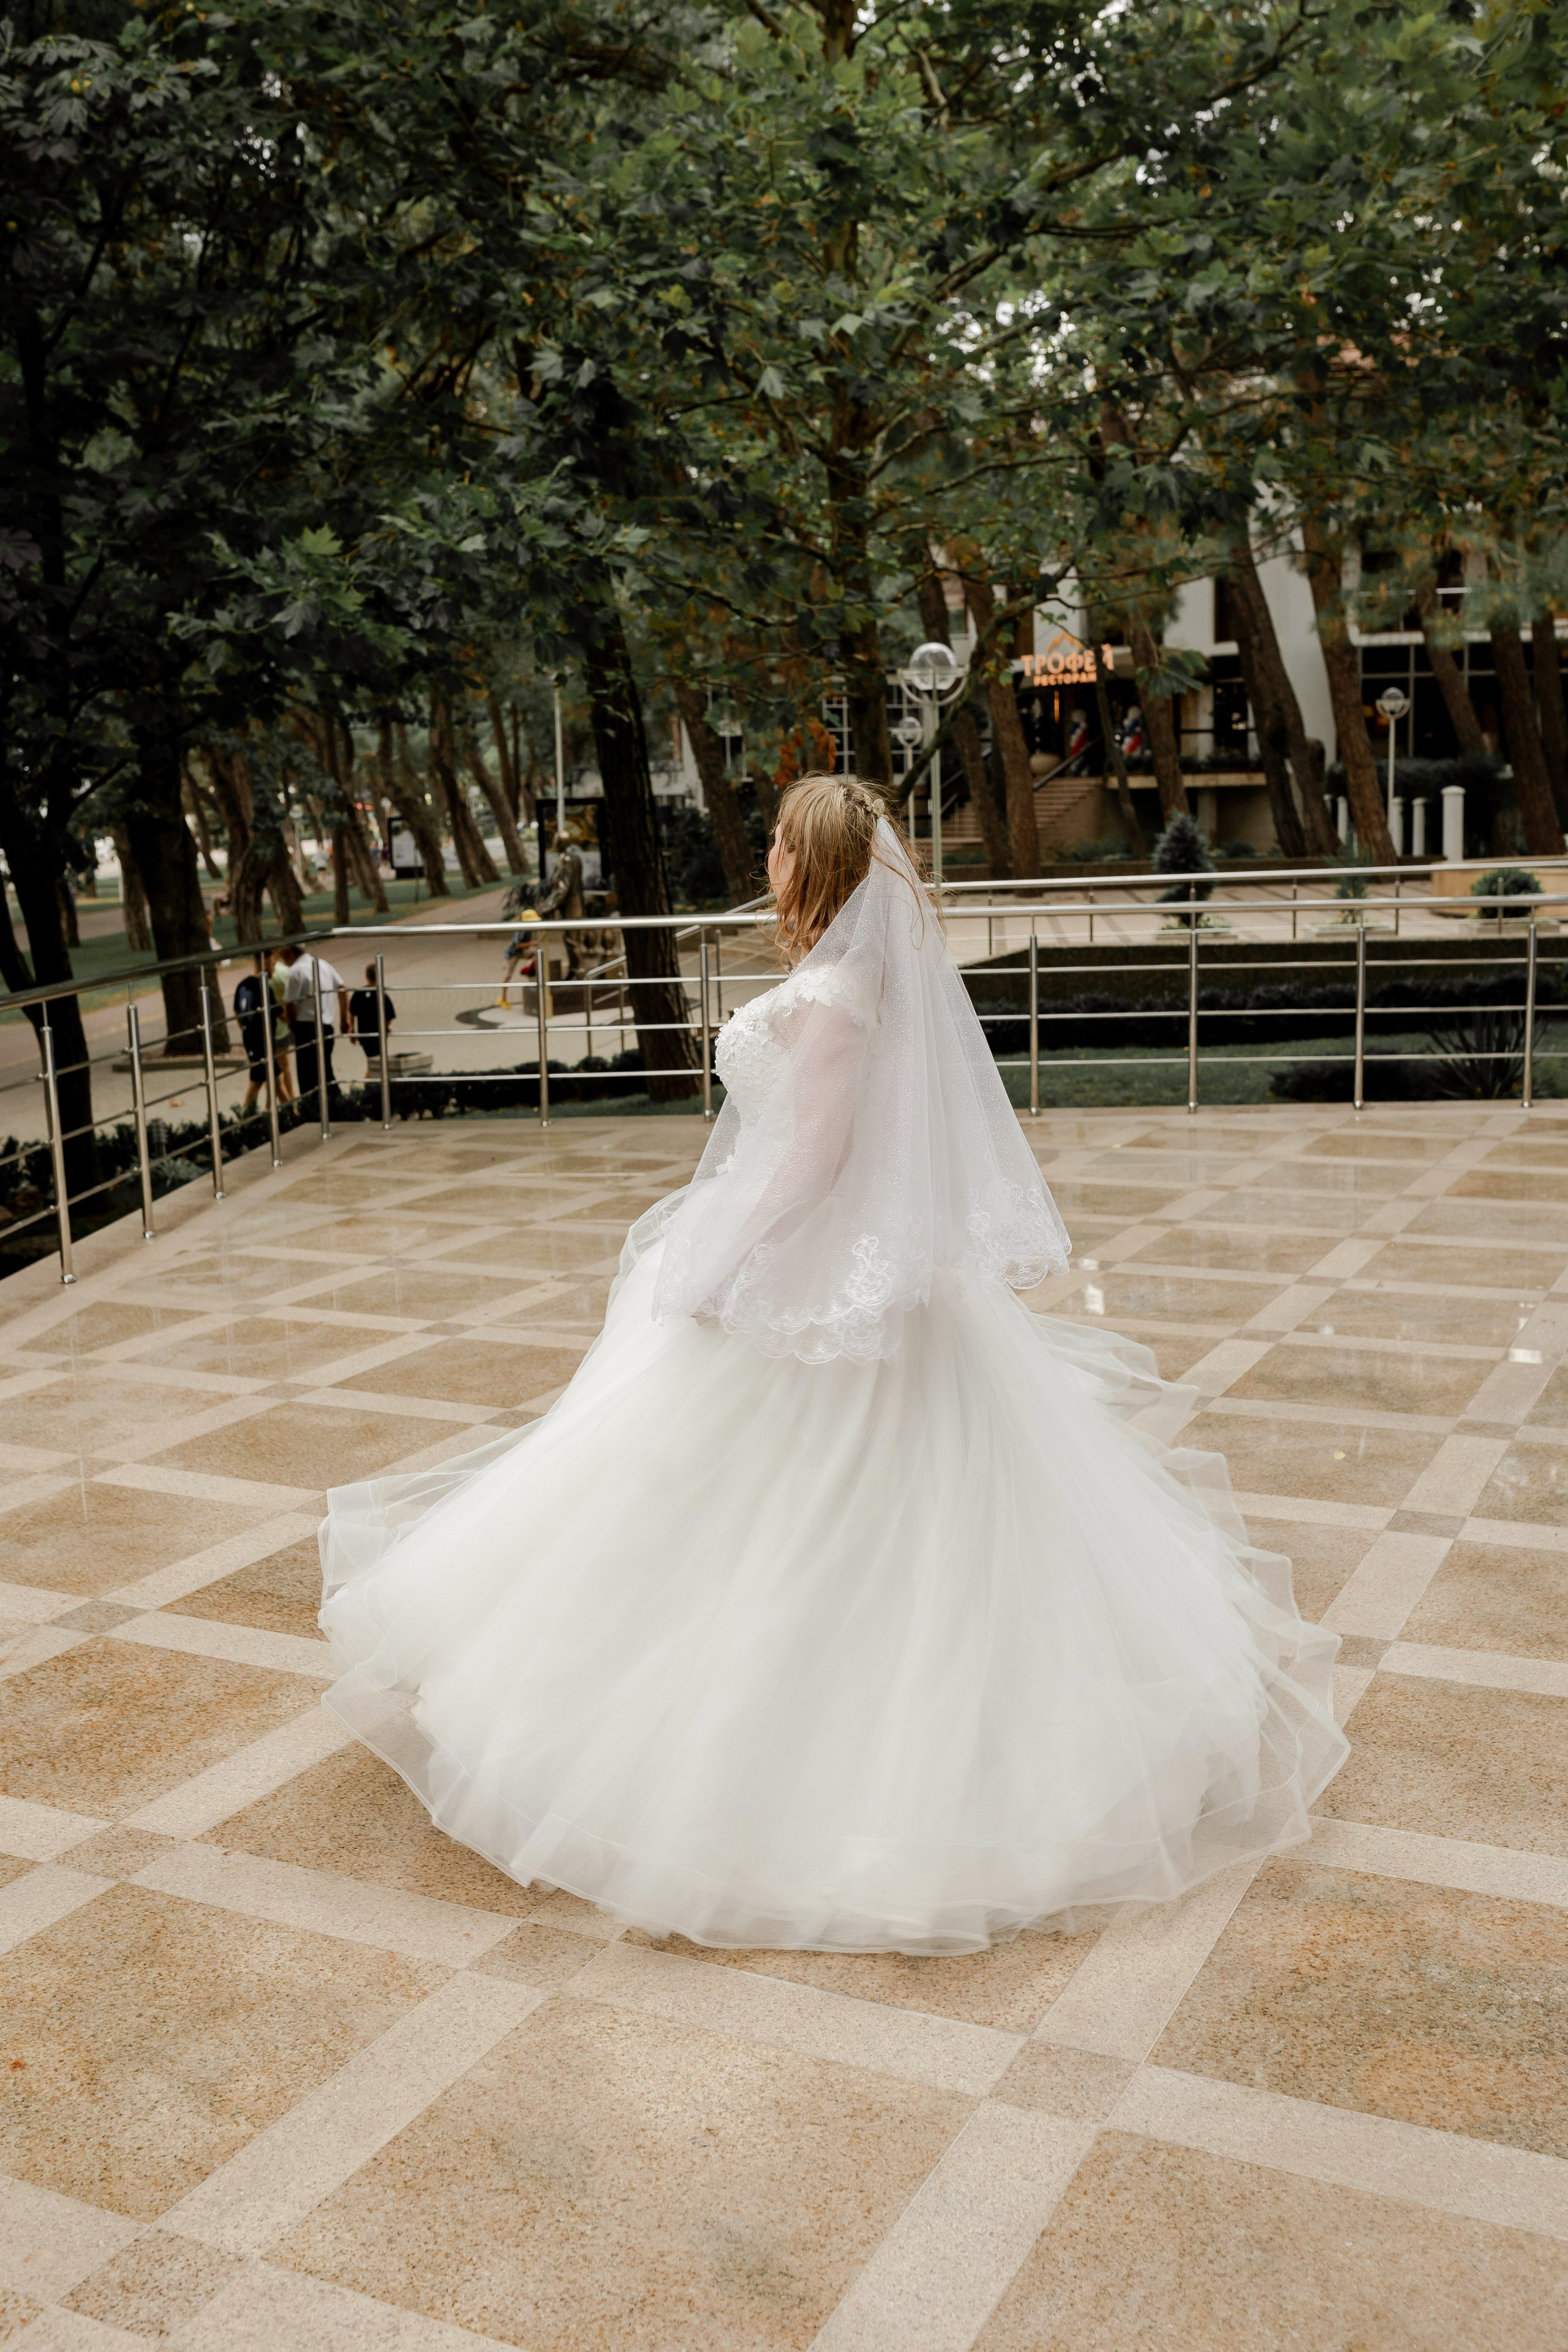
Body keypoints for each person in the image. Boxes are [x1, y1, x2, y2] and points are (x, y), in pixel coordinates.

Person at [319, 775, 1346, 1954]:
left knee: (787, 1504)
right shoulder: (857, 982)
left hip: (812, 1277)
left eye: (776, 842)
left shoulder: (839, 994)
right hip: (838, 1268)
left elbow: (812, 1157)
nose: (764, 857)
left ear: (811, 863)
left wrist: (716, 1264)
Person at [280, 942, 345, 1116]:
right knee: (325, 1070)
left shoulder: (295, 972)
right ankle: (336, 1107)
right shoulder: (323, 965)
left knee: (307, 1076)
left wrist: (291, 1024)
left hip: (306, 1027)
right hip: (326, 1026)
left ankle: (314, 1111)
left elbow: (290, 1004)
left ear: (289, 953)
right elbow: (343, 987)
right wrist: (344, 1019)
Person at [233, 956, 276, 1117]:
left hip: (252, 1038)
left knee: (274, 1077)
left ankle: (274, 1113)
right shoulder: (264, 987)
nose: (275, 968)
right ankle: (247, 1119)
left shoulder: (243, 984)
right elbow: (280, 1013)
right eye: (273, 963)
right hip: (262, 1040)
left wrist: (245, 1029)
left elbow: (236, 1011)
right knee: (258, 1079)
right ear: (266, 962)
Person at [347, 963, 397, 1066]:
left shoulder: (358, 994)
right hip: (378, 1034)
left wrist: (352, 1031)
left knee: (374, 1060)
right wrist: (388, 1027)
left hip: (364, 1035)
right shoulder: (382, 995)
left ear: (367, 976)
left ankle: (373, 1075)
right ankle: (371, 1076)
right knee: (376, 1062)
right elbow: (389, 1016)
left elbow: (352, 1014)